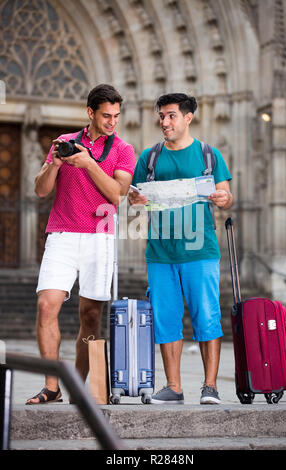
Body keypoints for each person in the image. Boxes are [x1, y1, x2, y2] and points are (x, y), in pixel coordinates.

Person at [26, 84, 136, 404]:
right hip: (62, 233)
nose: (112, 121)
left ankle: (77, 384)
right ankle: (52, 386)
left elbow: (116, 194)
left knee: (90, 315)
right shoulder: (65, 142)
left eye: (116, 115)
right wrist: (55, 164)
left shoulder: (123, 150)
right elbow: (41, 190)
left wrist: (88, 163)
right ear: (90, 112)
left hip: (100, 237)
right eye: (106, 115)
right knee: (46, 305)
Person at [129, 93, 233, 405]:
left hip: (200, 250)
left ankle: (210, 386)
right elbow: (134, 197)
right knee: (165, 318)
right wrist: (135, 200)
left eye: (171, 116)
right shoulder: (149, 157)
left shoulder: (208, 155)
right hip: (160, 253)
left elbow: (227, 195)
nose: (164, 122)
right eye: (161, 116)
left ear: (188, 117)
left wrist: (222, 198)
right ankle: (173, 387)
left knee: (207, 315)